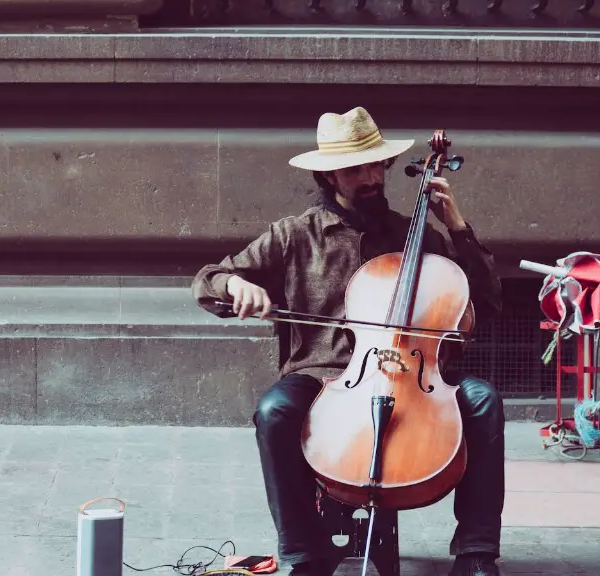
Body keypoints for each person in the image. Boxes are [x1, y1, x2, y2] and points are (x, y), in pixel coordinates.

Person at [191, 107, 506, 576]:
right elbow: (209, 279)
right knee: (274, 412)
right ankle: (303, 554)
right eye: (355, 168)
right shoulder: (294, 235)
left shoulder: (410, 233)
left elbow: (486, 295)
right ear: (328, 175)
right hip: (319, 375)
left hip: (416, 371)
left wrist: (457, 226)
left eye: (377, 165)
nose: (371, 176)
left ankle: (476, 553)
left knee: (483, 401)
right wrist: (236, 286)